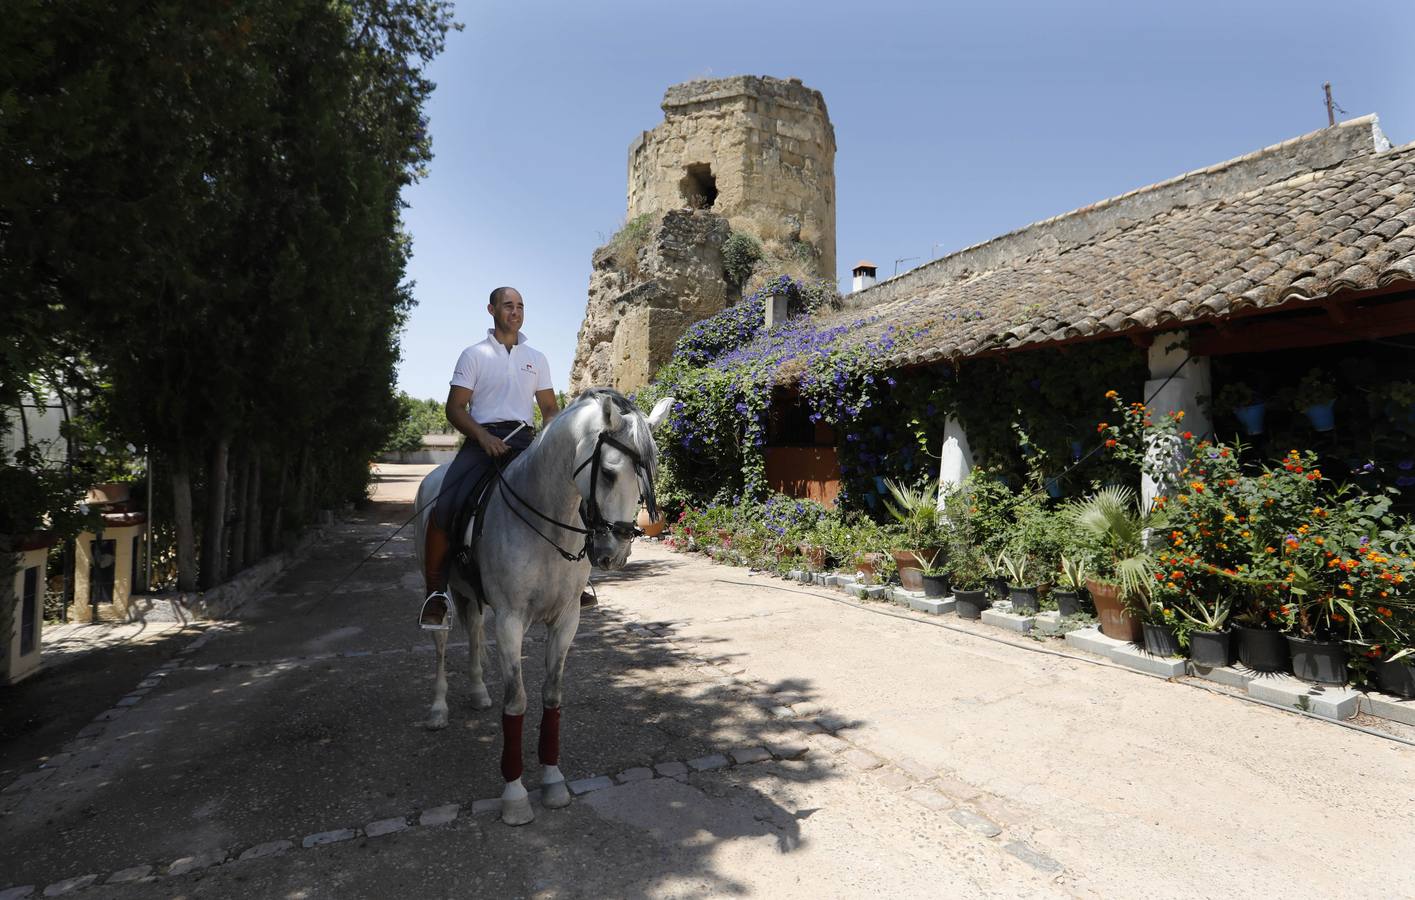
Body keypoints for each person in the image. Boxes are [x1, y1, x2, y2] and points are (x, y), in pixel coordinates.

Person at [420, 286, 561, 629]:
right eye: (508, 306)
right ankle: (436, 594)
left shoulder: (536, 358)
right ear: (492, 309)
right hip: (481, 442)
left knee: (567, 498)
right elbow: (454, 408)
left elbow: (549, 410)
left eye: (520, 306)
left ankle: (575, 582)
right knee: (445, 506)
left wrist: (550, 441)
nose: (515, 312)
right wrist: (482, 437)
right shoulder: (474, 355)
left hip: (525, 442)